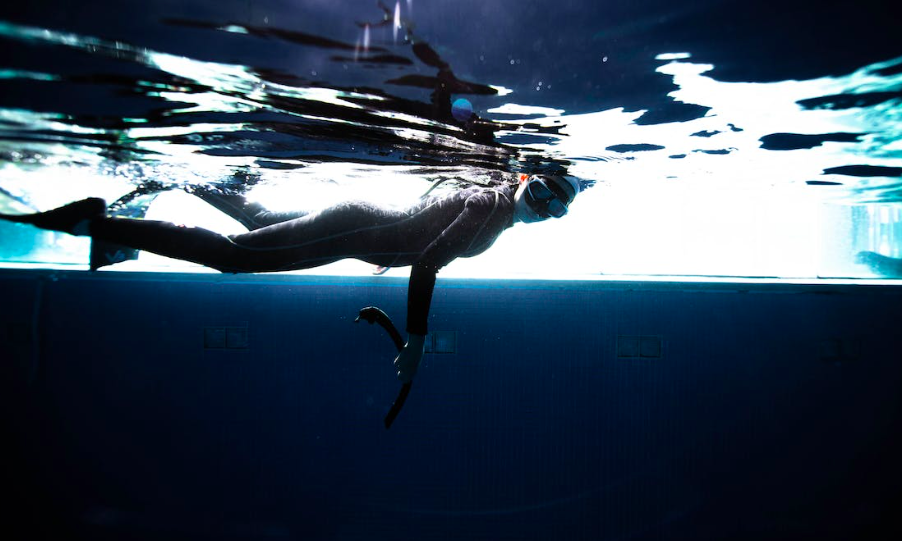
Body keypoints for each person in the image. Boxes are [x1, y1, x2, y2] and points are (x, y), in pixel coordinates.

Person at [0, 174, 581, 382]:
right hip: (348, 230)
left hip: (354, 227)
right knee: (235, 255)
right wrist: (418, 342)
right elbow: (430, 259)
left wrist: (396, 247)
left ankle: (178, 179)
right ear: (523, 177)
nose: (544, 206)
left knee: (257, 222)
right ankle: (97, 221)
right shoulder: (490, 211)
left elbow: (423, 233)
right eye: (542, 191)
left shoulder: (492, 208)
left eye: (557, 207)